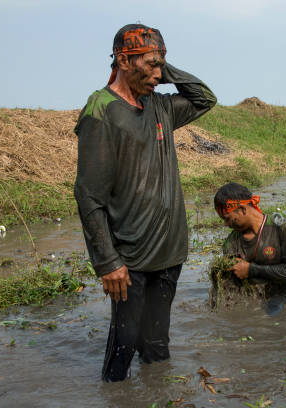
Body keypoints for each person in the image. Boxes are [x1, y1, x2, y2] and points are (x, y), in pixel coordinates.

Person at [74, 24, 216, 382]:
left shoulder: (160, 107)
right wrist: (107, 261)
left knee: (156, 345)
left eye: (161, 65)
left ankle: (154, 396)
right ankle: (116, 395)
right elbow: (88, 195)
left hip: (168, 253)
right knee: (122, 346)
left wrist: (161, 67)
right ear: (123, 59)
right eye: (150, 64)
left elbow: (205, 98)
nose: (157, 74)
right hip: (130, 258)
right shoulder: (101, 110)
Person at [213, 183, 286, 304]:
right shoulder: (231, 242)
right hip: (253, 301)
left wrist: (251, 270)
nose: (225, 224)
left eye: (227, 218)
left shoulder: (282, 228)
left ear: (242, 209)